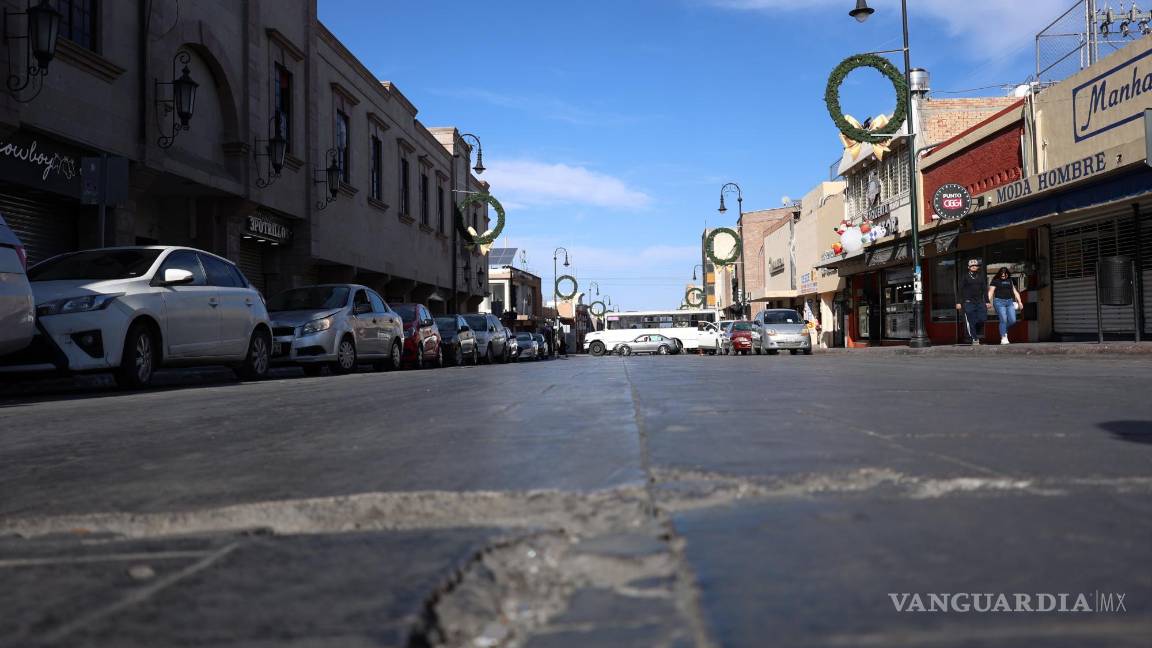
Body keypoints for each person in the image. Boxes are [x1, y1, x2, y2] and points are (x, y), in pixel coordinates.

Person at [956, 258, 988, 345]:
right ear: (968, 267)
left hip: (980, 302)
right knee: (971, 320)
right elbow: (960, 290)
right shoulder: (965, 277)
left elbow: (985, 290)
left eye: (975, 265)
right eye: (972, 265)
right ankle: (975, 338)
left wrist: (987, 301)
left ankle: (976, 332)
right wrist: (958, 302)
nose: (974, 267)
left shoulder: (981, 277)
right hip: (968, 302)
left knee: (982, 318)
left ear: (978, 267)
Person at [988, 267, 1024, 345]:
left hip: (1009, 302)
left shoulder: (1010, 281)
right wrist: (987, 302)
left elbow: (1015, 292)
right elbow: (991, 292)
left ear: (1007, 274)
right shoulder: (995, 281)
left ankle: (1003, 329)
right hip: (999, 302)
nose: (1003, 276)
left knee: (1013, 320)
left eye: (1004, 275)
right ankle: (1003, 337)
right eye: (1002, 275)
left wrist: (1020, 302)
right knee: (1003, 320)